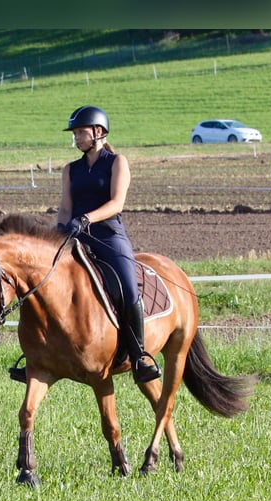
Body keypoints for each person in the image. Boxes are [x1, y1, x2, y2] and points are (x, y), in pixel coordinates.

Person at [57, 105, 162, 384]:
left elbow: (117, 203)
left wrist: (85, 218)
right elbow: (64, 209)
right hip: (75, 237)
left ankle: (139, 356)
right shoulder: (70, 170)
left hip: (109, 237)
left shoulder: (117, 162)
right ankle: (38, 354)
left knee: (129, 292)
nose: (76, 137)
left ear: (98, 132)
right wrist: (57, 233)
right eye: (75, 133)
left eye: (81, 132)